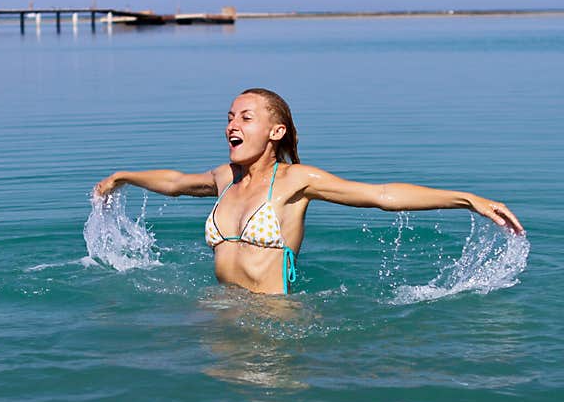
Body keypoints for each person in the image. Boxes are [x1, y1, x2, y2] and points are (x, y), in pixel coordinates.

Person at [93, 88, 524, 295]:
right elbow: (174, 183)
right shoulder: (225, 178)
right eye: (229, 117)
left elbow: (381, 195)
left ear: (275, 131)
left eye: (245, 118)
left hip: (275, 322)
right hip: (218, 311)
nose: (232, 126)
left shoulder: (295, 181)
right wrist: (123, 176)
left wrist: (467, 199)